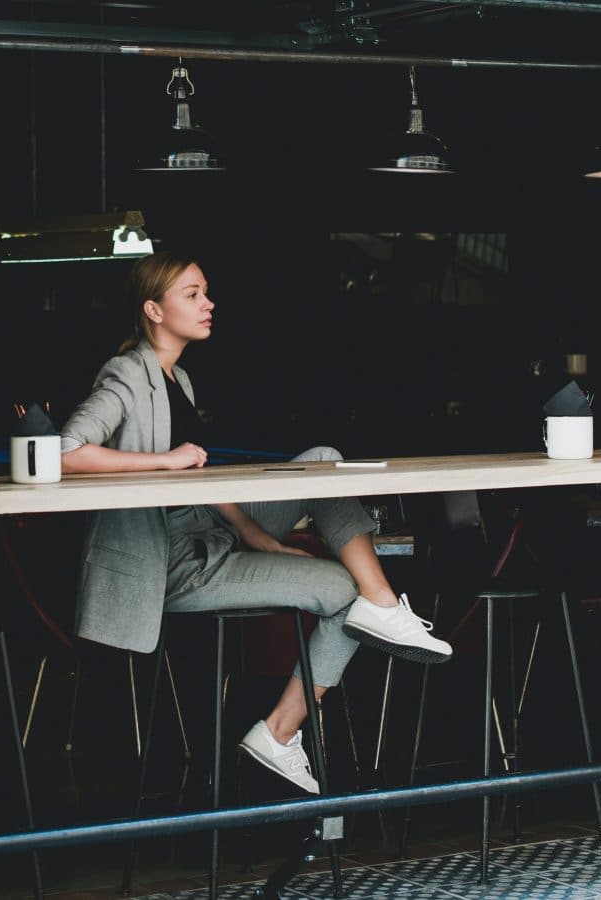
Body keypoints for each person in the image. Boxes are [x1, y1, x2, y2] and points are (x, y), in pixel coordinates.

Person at [59, 251, 451, 794]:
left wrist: (256, 534)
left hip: (207, 532)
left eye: (206, 292)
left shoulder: (180, 380)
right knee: (344, 592)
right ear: (153, 309)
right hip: (170, 563)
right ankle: (281, 731)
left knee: (322, 459)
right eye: (192, 294)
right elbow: (64, 453)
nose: (208, 303)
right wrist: (164, 460)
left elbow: (198, 481)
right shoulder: (127, 374)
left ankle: (382, 602)